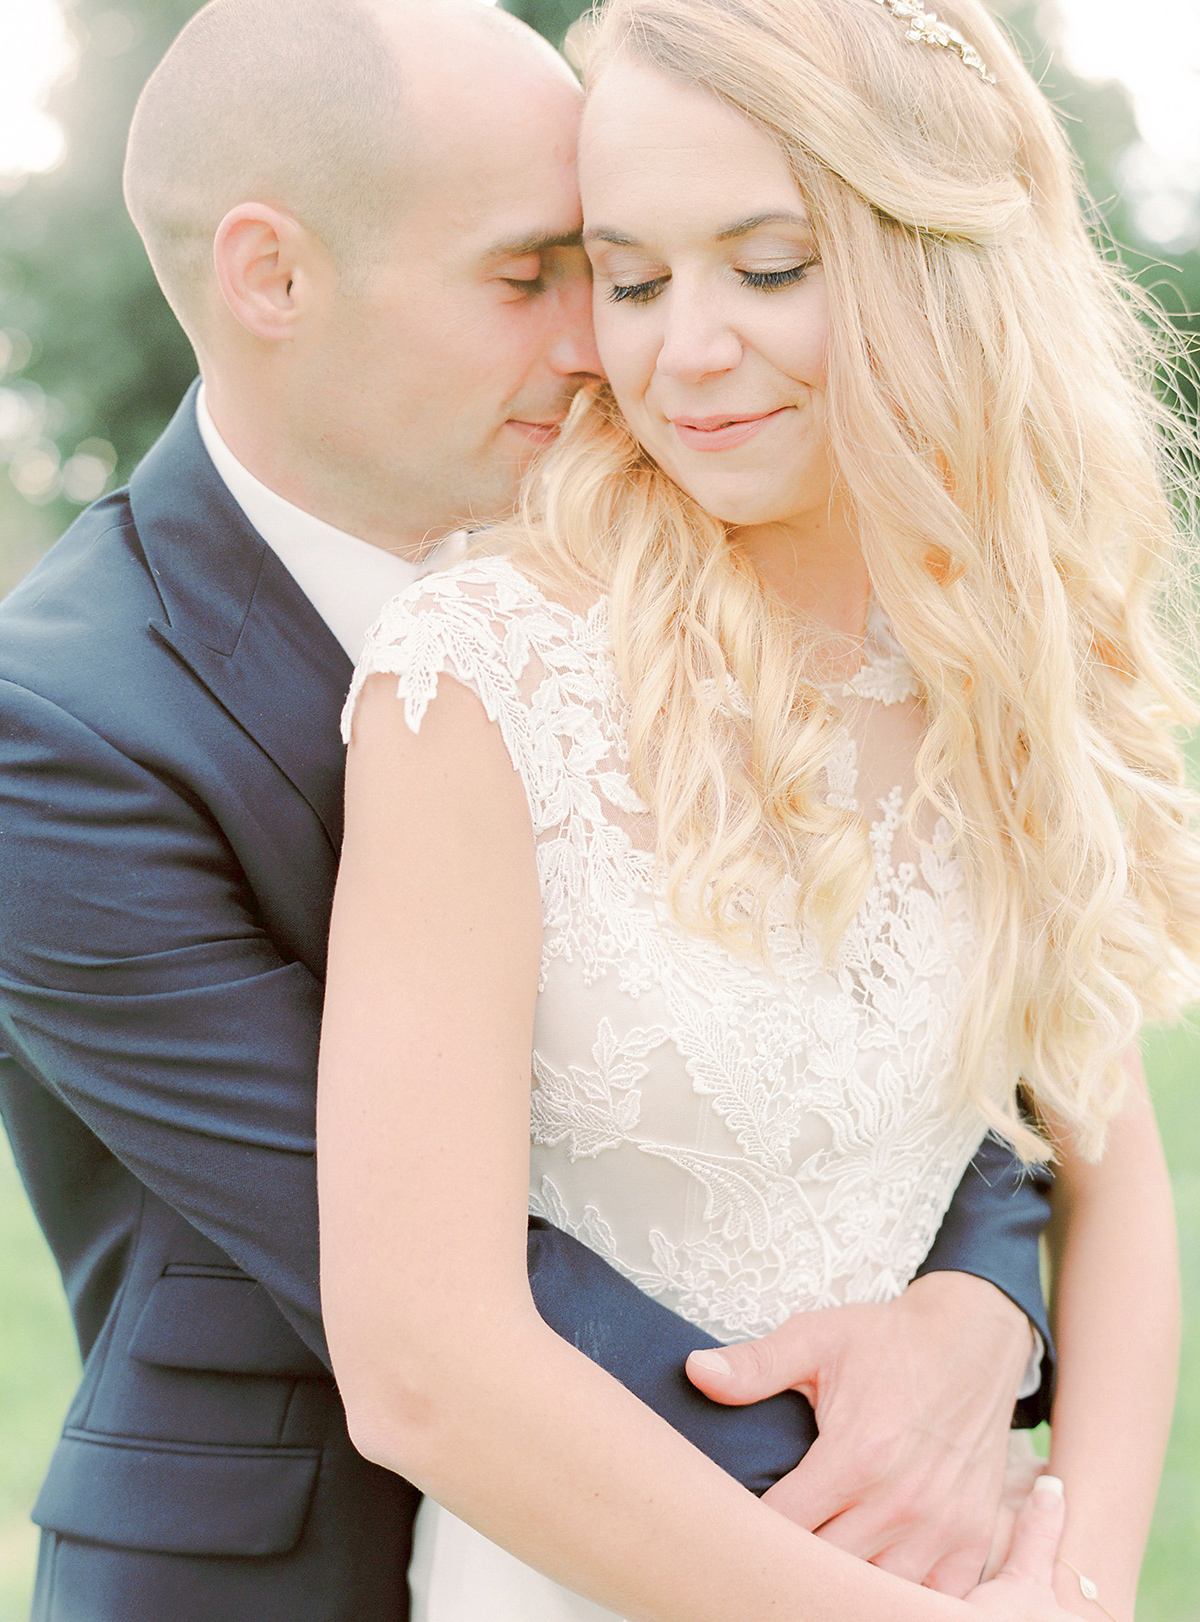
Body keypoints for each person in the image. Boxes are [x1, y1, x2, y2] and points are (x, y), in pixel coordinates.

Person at [0, 0, 1058, 1618]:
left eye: (607, 266)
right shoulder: (57, 729)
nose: (607, 343)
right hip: (287, 1576)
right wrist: (881, 1480)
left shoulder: (686, 563)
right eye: (533, 274)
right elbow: (439, 1270)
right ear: (273, 276)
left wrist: (981, 1314)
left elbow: (872, 1007)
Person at [318, 0, 1198, 1618]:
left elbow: (1113, 1178)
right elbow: (417, 1362)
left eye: (769, 267)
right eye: (633, 279)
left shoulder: (1002, 658)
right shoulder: (483, 678)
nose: (684, 349)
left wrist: (1074, 1586)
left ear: (938, 262)